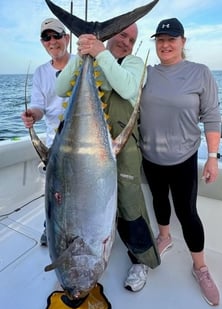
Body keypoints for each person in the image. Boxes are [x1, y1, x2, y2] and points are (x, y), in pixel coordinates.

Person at [55, 23, 160, 292]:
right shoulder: (89, 60)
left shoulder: (133, 63)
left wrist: (100, 52)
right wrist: (82, 54)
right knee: (82, 202)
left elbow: (127, 88)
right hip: (82, 151)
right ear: (112, 35)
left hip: (121, 149)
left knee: (129, 204)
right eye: (122, 34)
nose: (126, 42)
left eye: (132, 39)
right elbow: (60, 88)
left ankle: (140, 259)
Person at [139, 18, 221, 306]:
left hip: (184, 158)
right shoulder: (145, 73)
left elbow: (211, 115)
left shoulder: (200, 73)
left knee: (187, 212)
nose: (165, 45)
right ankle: (164, 237)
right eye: (160, 40)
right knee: (160, 201)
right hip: (150, 157)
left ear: (183, 42)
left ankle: (200, 267)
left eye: (171, 39)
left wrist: (212, 157)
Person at [21, 18, 72, 246]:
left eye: (57, 36)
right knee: (56, 194)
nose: (52, 41)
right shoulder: (41, 73)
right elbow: (39, 107)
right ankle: (51, 228)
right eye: (46, 37)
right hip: (55, 146)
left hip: (83, 142)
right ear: (43, 43)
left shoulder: (81, 64)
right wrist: (32, 113)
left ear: (67, 39)